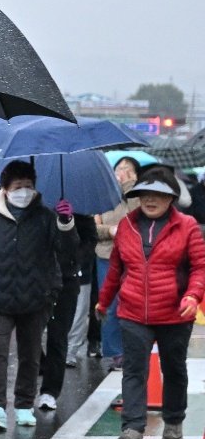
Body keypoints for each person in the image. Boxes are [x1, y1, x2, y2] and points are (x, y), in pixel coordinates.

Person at [96, 168, 205, 439]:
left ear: (171, 198)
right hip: (133, 313)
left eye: (158, 194)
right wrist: (103, 301)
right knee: (134, 370)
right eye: (145, 194)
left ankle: (174, 421)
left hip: (175, 314)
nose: (150, 200)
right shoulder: (126, 225)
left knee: (174, 369)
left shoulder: (188, 226)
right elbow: (116, 269)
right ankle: (132, 428)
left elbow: (200, 267)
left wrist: (192, 296)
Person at [0, 160, 77, 431]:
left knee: (30, 354)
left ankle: (24, 405)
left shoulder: (46, 217)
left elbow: (66, 252)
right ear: (5, 189)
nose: (24, 191)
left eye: (28, 186)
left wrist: (66, 224)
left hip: (36, 298)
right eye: (18, 186)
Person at [37, 206, 98, 411]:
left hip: (66, 281)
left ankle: (50, 391)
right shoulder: (37, 208)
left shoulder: (81, 211)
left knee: (58, 336)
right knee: (29, 336)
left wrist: (72, 258)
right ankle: (27, 391)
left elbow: (90, 240)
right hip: (37, 279)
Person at [93, 156, 141, 371]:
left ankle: (134, 349)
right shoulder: (102, 195)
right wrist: (110, 230)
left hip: (133, 257)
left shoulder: (137, 195)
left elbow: (139, 219)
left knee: (132, 303)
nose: (122, 172)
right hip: (106, 254)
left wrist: (130, 186)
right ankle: (114, 352)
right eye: (119, 168)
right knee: (110, 304)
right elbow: (94, 227)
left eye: (128, 169)